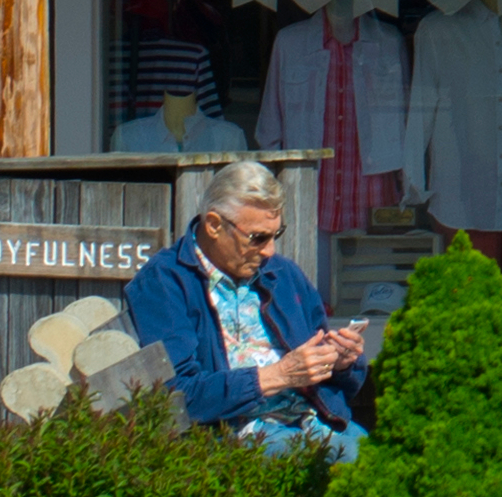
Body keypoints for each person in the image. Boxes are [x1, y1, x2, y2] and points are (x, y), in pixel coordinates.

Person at [120, 161, 373, 455]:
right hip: (231, 437)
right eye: (258, 238)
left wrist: (340, 361)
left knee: (388, 466)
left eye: (275, 235)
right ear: (214, 225)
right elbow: (176, 395)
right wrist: (278, 375)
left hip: (313, 423)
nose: (269, 251)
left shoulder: (283, 274)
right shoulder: (165, 281)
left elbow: (334, 383)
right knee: (357, 470)